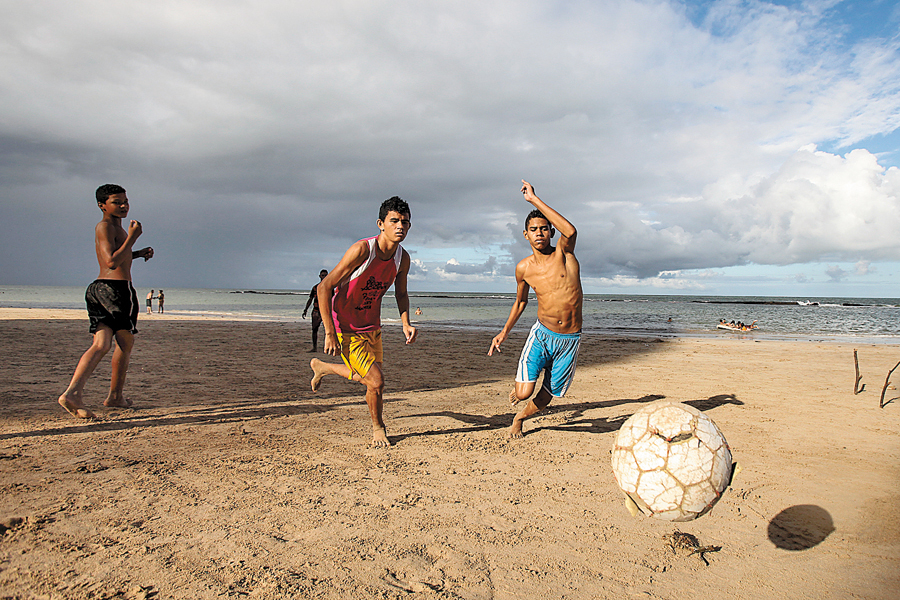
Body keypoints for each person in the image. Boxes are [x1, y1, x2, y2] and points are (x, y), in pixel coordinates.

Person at [309, 197, 418, 447]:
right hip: (346, 327)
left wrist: (406, 323)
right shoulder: (362, 250)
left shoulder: (402, 258)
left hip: (372, 327)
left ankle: (323, 368)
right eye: (394, 221)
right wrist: (330, 333)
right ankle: (378, 428)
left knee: (369, 380)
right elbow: (324, 288)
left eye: (405, 222)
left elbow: (401, 293)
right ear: (380, 224)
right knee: (376, 381)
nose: (400, 226)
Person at [488, 180, 583, 439]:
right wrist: (504, 332)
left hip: (570, 339)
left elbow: (571, 231)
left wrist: (533, 200)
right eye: (533, 229)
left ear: (551, 231)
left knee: (549, 393)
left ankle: (519, 418)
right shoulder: (524, 268)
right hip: (542, 335)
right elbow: (520, 302)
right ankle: (521, 390)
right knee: (523, 393)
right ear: (525, 234)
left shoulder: (564, 254)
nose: (539, 233)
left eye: (543, 228)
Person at [58, 184, 154, 419]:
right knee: (125, 344)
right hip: (117, 291)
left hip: (99, 289)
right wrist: (133, 238)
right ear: (102, 205)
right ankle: (114, 396)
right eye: (116, 202)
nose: (123, 206)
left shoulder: (113, 228)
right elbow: (111, 262)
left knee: (102, 344)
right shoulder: (105, 226)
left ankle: (75, 393)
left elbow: (115, 256)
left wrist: (138, 253)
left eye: (125, 201)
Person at [302, 269, 329, 352]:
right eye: (323, 275)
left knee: (328, 330)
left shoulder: (329, 287)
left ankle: (327, 347)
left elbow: (333, 299)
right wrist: (305, 309)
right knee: (314, 329)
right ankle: (314, 347)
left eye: (325, 275)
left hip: (326, 311)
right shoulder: (315, 288)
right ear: (320, 276)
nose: (324, 277)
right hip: (316, 311)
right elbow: (310, 299)